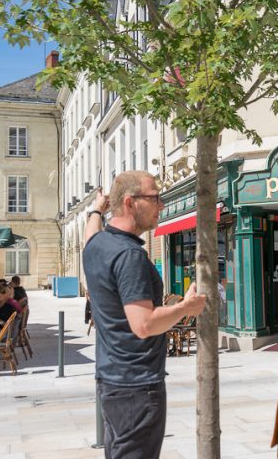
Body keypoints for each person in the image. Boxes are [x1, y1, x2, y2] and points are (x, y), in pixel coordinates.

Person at [82, 176, 206, 459]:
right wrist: (186, 308)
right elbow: (144, 324)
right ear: (130, 203)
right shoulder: (129, 256)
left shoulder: (97, 245)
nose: (161, 205)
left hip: (112, 380)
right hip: (137, 386)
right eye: (154, 198)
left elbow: (90, 232)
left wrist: (97, 210)